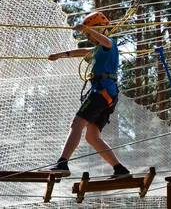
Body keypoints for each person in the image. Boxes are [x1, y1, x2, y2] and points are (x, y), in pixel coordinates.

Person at [42, 12, 130, 179]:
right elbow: (83, 51)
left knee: (76, 123)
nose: (89, 37)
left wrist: (89, 28)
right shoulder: (99, 48)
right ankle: (120, 169)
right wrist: (61, 55)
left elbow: (106, 41)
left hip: (101, 93)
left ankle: (62, 163)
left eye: (89, 34)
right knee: (91, 136)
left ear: (98, 29)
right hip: (108, 95)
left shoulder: (108, 42)